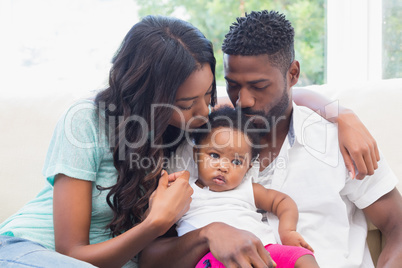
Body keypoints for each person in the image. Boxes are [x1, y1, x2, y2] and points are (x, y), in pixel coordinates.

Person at [0, 14, 383, 268]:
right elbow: (73, 254)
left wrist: (340, 114)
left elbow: (272, 97)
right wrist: (159, 223)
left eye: (208, 95)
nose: (205, 111)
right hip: (33, 251)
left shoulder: (191, 128)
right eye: (188, 103)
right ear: (149, 97)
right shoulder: (88, 120)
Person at [139, 11, 402, 268]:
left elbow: (397, 228)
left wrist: (342, 115)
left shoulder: (337, 142)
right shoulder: (197, 146)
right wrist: (207, 234)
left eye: (259, 86)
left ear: (293, 74)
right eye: (232, 85)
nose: (243, 100)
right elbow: (152, 257)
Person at [175, 106, 318, 268]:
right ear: (196, 154)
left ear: (248, 168)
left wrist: (288, 231)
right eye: (214, 155)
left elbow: (282, 201)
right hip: (212, 255)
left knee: (302, 256)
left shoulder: (247, 189)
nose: (223, 167)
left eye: (236, 162)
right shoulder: (184, 190)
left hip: (263, 249)